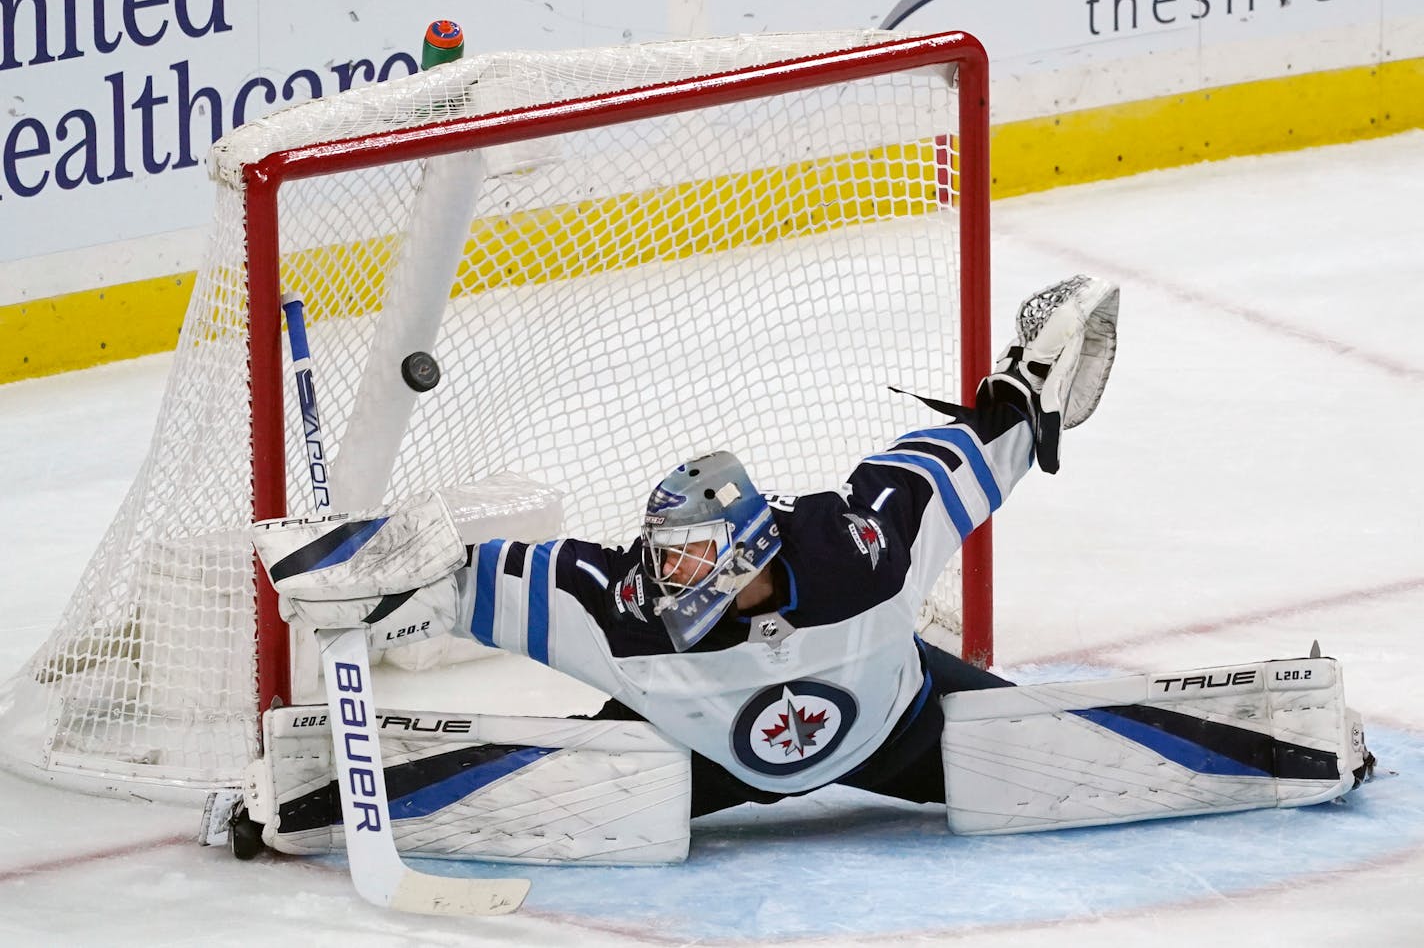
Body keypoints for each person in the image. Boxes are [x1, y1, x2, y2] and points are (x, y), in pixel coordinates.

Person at [259, 274, 1121, 819]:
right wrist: (363, 570)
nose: (669, 578)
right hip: (690, 757)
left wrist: (1024, 389)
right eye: (664, 557)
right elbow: (460, 581)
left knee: (1058, 755)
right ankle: (313, 796)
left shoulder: (856, 554)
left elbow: (955, 465)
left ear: (749, 549)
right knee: (585, 777)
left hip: (899, 729)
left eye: (690, 559)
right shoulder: (621, 604)